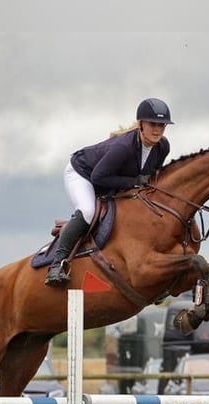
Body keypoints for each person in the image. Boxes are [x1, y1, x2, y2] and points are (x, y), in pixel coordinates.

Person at [46, 97, 174, 286]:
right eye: (153, 124)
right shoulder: (123, 148)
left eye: (162, 126)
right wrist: (134, 181)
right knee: (88, 211)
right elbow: (98, 178)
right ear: (141, 124)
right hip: (83, 173)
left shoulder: (163, 147)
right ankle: (56, 265)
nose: (157, 130)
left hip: (111, 178)